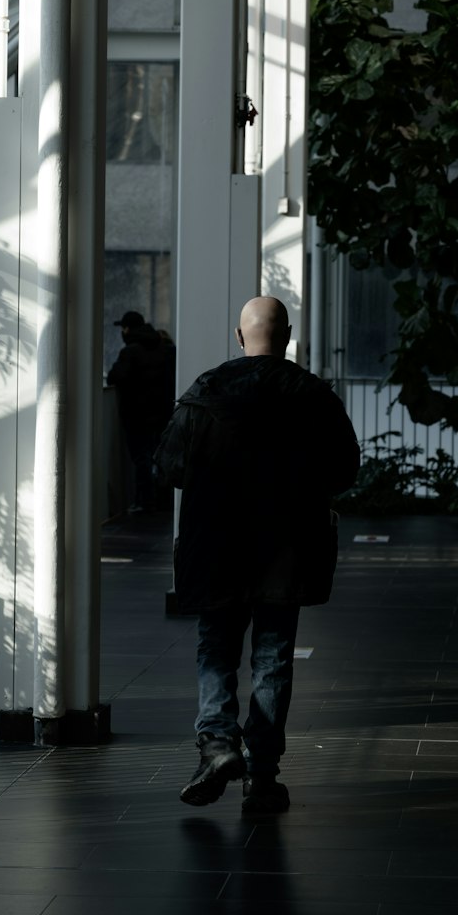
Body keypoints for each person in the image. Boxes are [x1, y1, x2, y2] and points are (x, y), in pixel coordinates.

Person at [154, 296, 360, 816]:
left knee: (216, 648)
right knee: (272, 658)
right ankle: (263, 775)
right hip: (285, 549)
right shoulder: (313, 397)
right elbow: (344, 470)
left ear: (240, 337)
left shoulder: (203, 394)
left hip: (216, 545)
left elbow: (169, 467)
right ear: (287, 336)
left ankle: (218, 746)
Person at [107, 310, 176, 511]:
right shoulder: (163, 348)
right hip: (162, 412)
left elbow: (115, 376)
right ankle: (164, 501)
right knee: (159, 456)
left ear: (127, 329)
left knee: (141, 459)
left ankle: (145, 502)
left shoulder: (130, 352)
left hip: (137, 414)